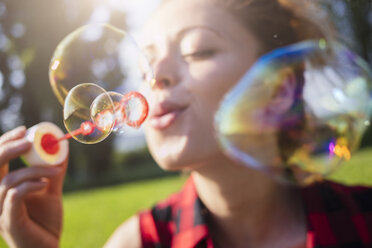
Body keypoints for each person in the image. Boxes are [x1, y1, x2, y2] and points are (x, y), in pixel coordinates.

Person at [0, 0, 371, 247]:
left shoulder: (363, 220)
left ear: (280, 85)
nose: (155, 75)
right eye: (148, 61)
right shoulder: (137, 242)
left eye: (197, 50)